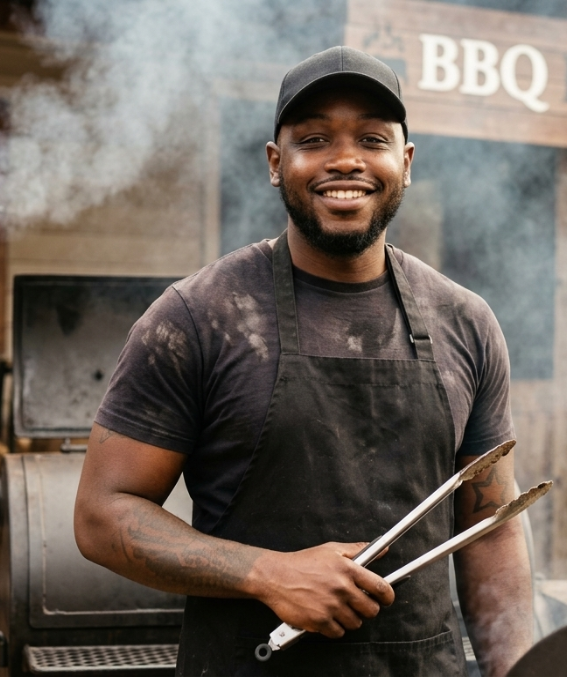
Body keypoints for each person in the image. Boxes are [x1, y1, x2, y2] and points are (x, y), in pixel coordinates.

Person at [74, 46, 533, 676]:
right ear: (274, 162)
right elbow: (102, 515)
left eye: (372, 138)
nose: (345, 160)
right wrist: (267, 572)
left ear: (405, 161)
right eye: (314, 139)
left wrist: (515, 668)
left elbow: (492, 523)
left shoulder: (466, 321)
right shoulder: (196, 317)